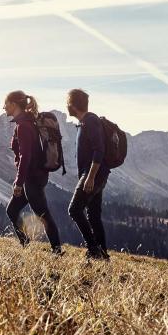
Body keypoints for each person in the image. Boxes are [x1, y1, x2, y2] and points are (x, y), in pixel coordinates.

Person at [4, 91, 63, 255]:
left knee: (43, 214)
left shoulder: (23, 126)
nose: (4, 107)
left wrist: (19, 182)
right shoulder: (29, 122)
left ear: (14, 105)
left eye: (6, 103)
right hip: (36, 176)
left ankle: (57, 251)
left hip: (32, 178)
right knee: (12, 210)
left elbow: (25, 156)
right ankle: (25, 242)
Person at [66, 89, 109, 260]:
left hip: (93, 174)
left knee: (74, 210)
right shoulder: (84, 122)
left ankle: (93, 249)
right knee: (93, 215)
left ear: (73, 105)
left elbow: (99, 150)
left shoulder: (90, 121)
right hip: (96, 173)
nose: (66, 106)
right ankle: (103, 254)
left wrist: (90, 177)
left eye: (68, 102)